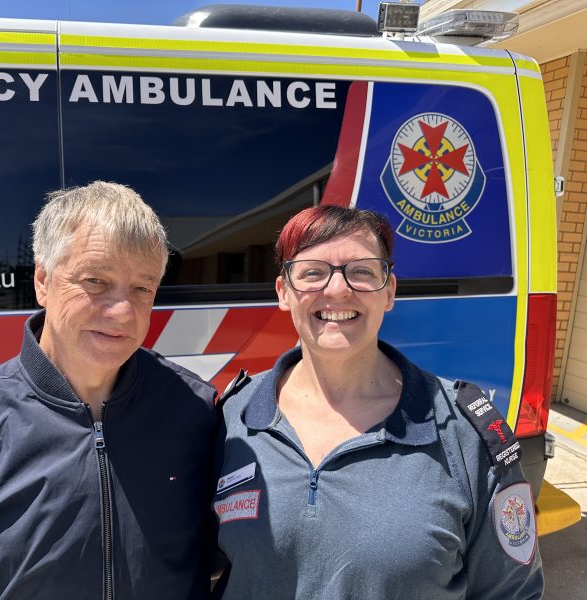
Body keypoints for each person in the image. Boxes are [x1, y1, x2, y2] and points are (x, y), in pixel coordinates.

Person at [0, 182, 217, 599]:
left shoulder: (197, 413)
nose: (122, 312)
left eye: (142, 288)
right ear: (43, 280)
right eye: (95, 281)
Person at [212, 205, 543, 599]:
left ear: (389, 291)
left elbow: (512, 592)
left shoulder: (465, 432)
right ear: (284, 292)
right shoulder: (234, 416)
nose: (337, 290)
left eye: (362, 271)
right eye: (313, 272)